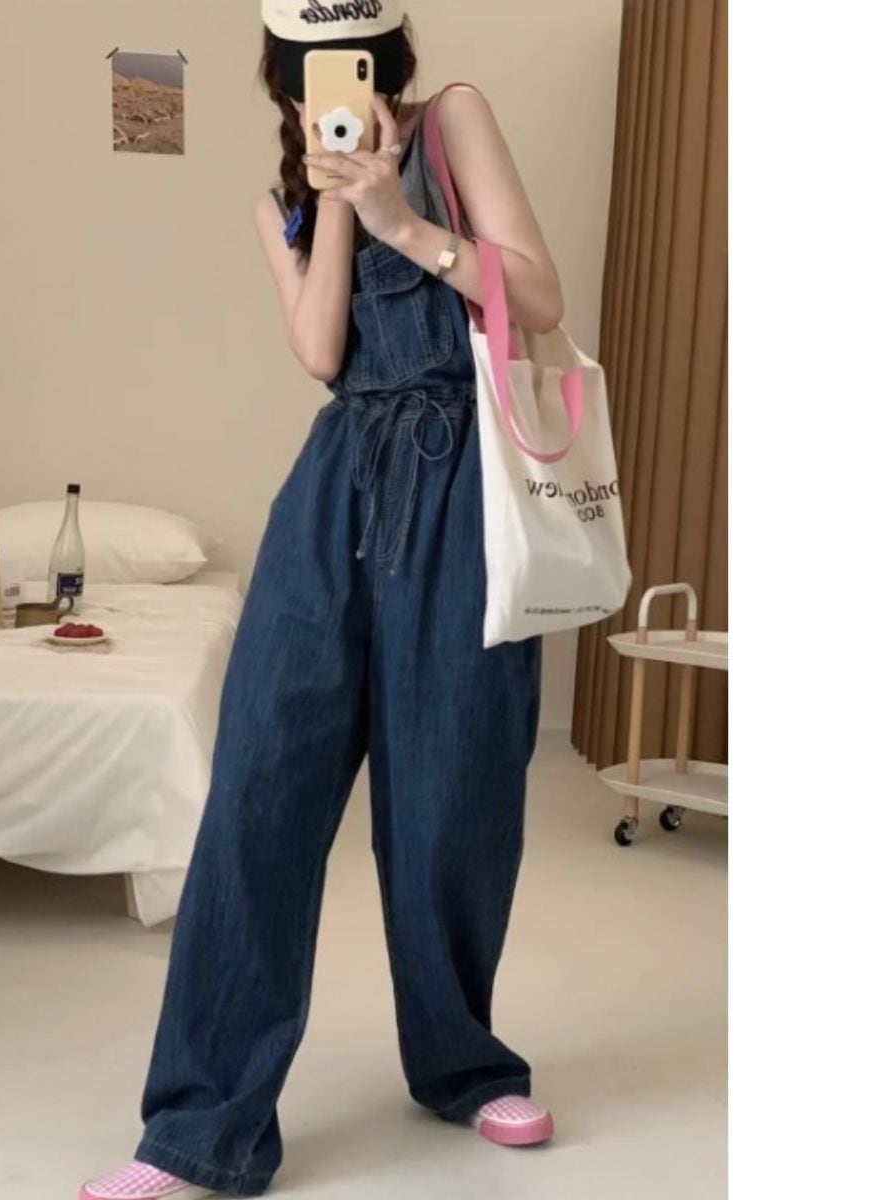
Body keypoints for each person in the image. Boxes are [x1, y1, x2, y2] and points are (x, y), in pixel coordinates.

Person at [82, 3, 564, 1196]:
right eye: (302, 71)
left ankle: (463, 1065)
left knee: (453, 788)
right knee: (258, 789)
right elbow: (321, 354)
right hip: (336, 489)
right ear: (283, 77)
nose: (322, 86)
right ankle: (199, 1128)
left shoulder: (452, 123)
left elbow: (539, 296)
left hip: (462, 483)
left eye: (340, 62)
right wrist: (341, 198)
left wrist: (406, 216)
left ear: (383, 51)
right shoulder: (284, 202)